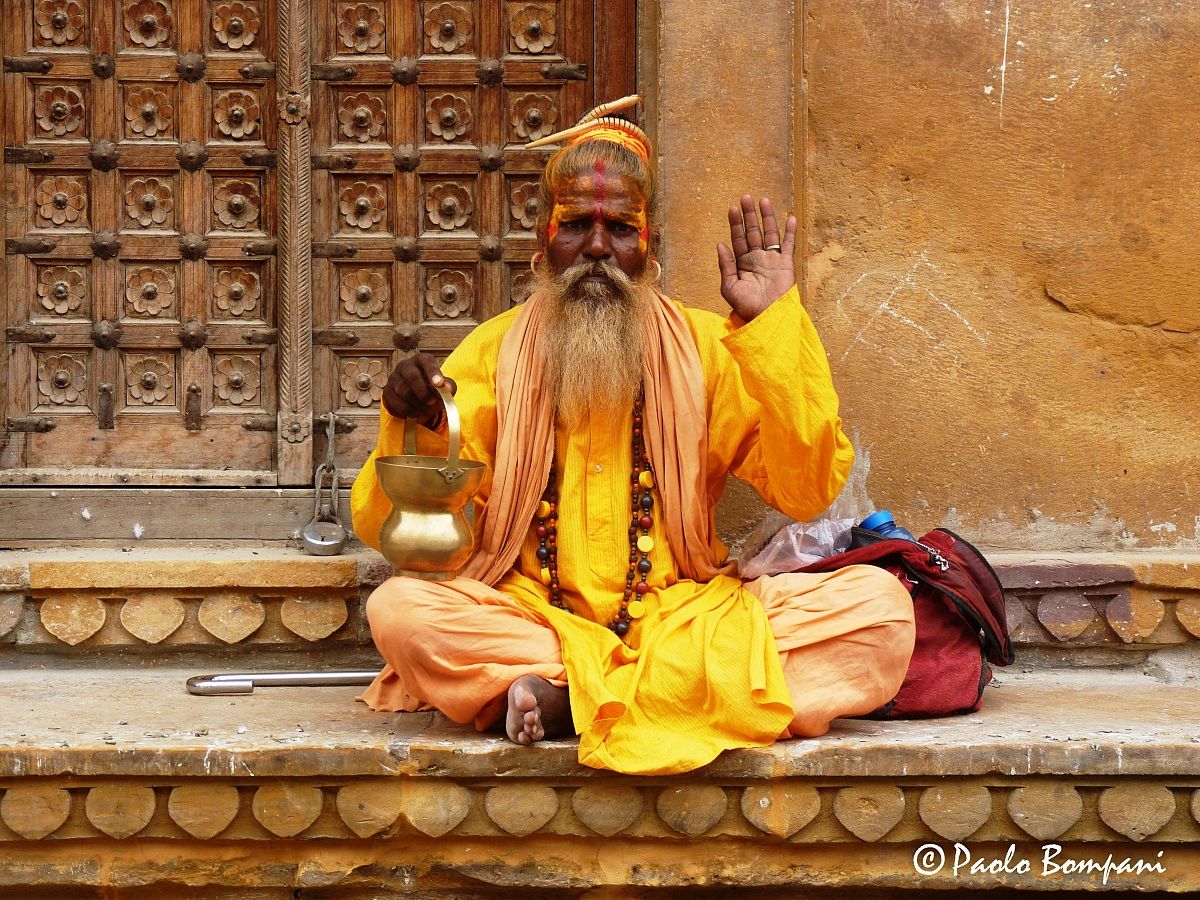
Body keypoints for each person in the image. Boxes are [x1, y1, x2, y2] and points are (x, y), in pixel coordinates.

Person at [350, 97, 915, 776]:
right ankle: (658, 696)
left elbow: (806, 490)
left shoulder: (709, 348)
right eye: (576, 226)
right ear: (542, 241)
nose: (596, 248)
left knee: (882, 615)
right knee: (402, 611)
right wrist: (416, 425)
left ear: (649, 244)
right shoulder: (490, 355)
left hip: (688, 617)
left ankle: (568, 704)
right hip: (538, 618)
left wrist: (772, 330)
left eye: (619, 228)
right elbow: (413, 543)